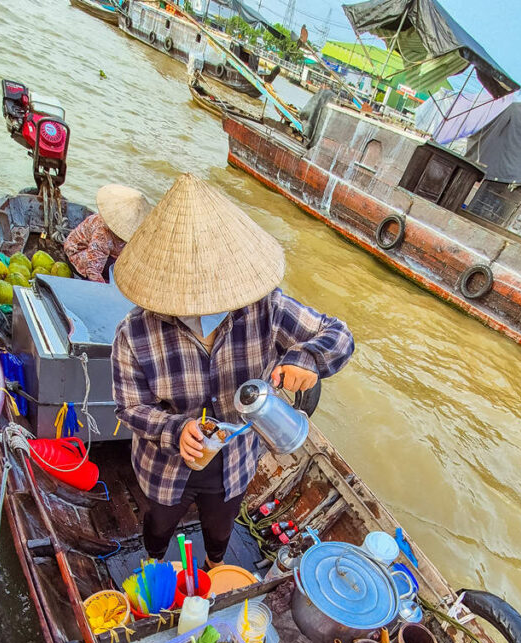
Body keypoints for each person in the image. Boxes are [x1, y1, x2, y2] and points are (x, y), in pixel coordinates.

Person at [111, 173, 354, 569]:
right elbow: (129, 407)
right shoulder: (134, 332)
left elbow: (338, 334)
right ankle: (154, 561)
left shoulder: (266, 307)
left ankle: (216, 565)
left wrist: (306, 360)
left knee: (220, 527)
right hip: (166, 465)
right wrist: (175, 430)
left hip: (237, 460)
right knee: (158, 524)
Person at [63, 183, 151, 283]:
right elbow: (93, 270)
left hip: (104, 253)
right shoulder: (102, 234)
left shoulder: (127, 235)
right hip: (78, 252)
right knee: (113, 272)